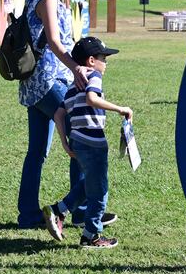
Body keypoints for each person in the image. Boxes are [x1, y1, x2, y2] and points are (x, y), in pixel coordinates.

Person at [16, 0, 111, 229]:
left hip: (34, 84)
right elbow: (55, 43)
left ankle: (28, 215)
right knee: (83, 137)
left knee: (37, 152)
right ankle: (80, 209)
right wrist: (76, 67)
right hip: (48, 81)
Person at [42, 36, 132, 248]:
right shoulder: (94, 75)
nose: (106, 63)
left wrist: (65, 142)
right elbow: (92, 99)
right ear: (91, 60)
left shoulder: (73, 85)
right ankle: (91, 236)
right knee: (100, 191)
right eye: (104, 58)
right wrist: (120, 109)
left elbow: (58, 114)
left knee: (89, 182)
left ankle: (58, 210)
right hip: (93, 142)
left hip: (77, 142)